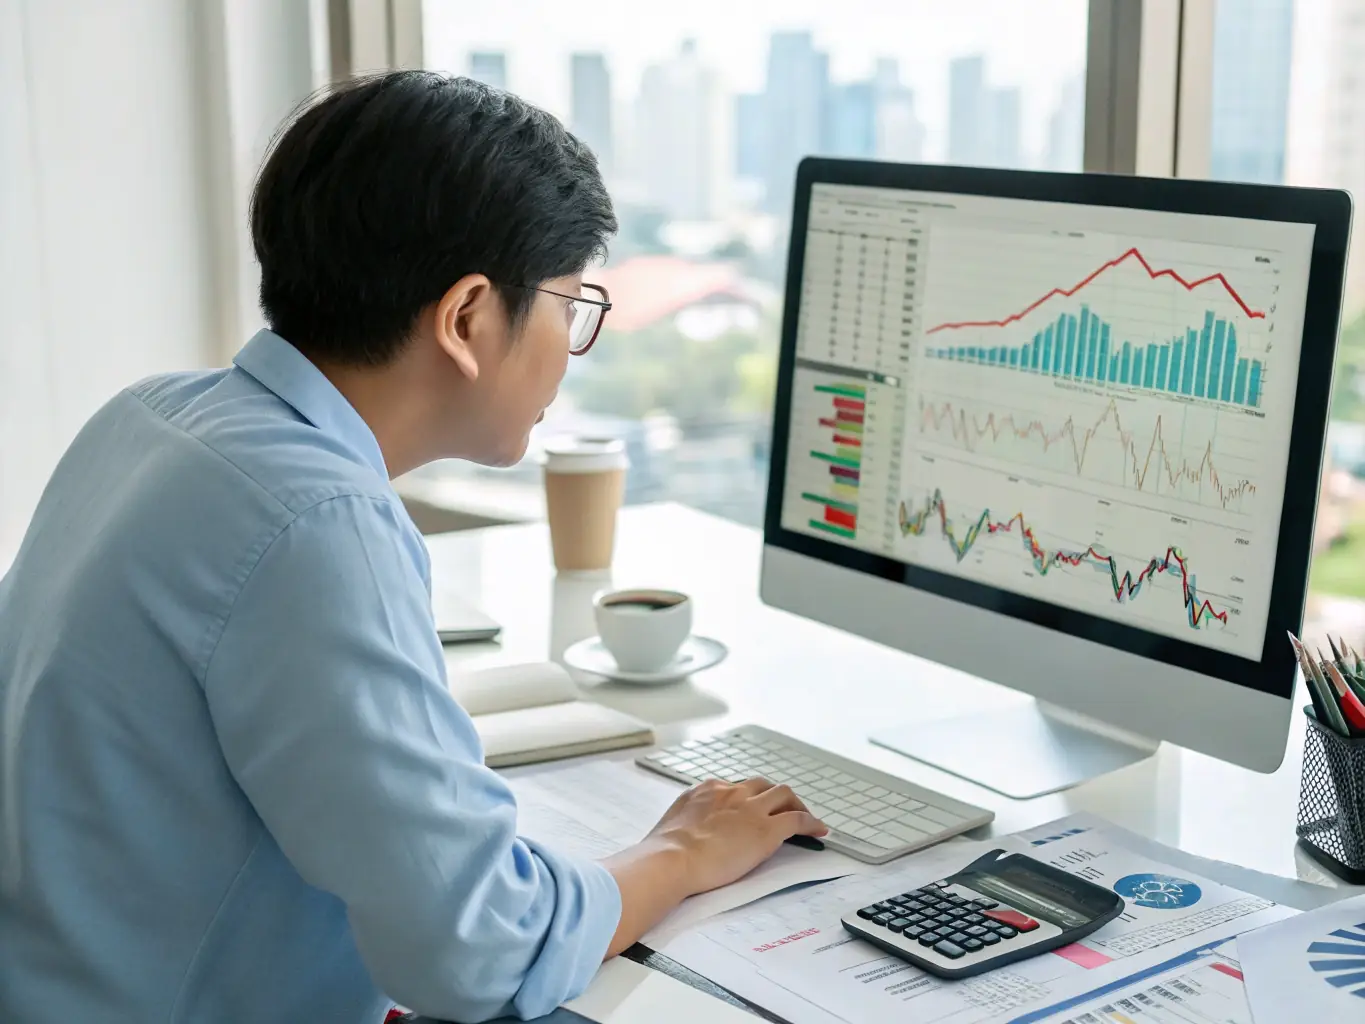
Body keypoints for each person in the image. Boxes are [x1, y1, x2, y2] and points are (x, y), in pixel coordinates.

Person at [0, 72, 826, 1023]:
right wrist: (678, 853)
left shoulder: (152, 415)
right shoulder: (317, 521)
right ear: (467, 317)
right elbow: (480, 954)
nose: (570, 346)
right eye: (568, 306)